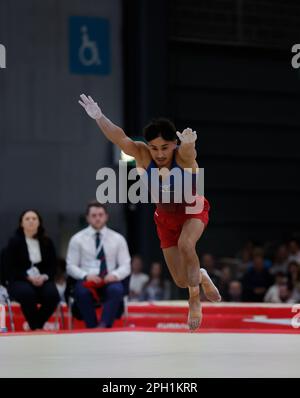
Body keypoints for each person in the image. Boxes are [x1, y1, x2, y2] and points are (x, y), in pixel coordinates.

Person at [78, 94, 221, 330]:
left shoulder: (181, 156)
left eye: (165, 147)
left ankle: (194, 299)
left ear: (173, 144)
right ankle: (201, 276)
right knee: (180, 279)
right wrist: (99, 117)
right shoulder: (143, 155)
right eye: (154, 148)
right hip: (165, 218)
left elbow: (190, 154)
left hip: (192, 210)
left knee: (187, 244)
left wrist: (188, 143)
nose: (160, 154)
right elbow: (119, 137)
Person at [66, 201, 131, 328]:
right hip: (87, 280)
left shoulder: (118, 239)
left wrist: (115, 275)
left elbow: (126, 265)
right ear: (88, 218)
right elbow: (70, 266)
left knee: (116, 289)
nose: (97, 218)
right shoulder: (77, 239)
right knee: (82, 292)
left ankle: (103, 326)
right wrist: (85, 275)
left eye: (100, 215)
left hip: (109, 279)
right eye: (94, 215)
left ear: (106, 216)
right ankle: (92, 327)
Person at [5, 210, 60, 330]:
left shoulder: (47, 242)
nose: (31, 221)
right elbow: (10, 267)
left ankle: (34, 325)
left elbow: (52, 266)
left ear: (39, 222)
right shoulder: (14, 242)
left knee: (53, 295)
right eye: (27, 219)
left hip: (42, 279)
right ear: (21, 223)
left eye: (34, 218)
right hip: (20, 279)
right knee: (27, 293)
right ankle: (36, 327)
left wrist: (44, 276)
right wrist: (27, 277)